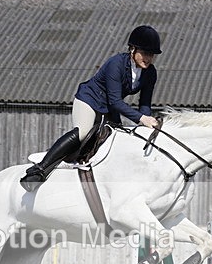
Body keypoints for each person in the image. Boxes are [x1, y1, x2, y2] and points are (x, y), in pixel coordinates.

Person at [20, 25, 162, 192]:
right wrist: (141, 119)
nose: (148, 58)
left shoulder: (150, 73)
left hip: (109, 107)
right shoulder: (116, 64)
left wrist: (146, 125)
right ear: (132, 49)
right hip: (89, 99)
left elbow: (144, 104)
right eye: (145, 53)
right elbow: (116, 101)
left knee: (118, 140)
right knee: (83, 132)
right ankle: (40, 170)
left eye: (151, 54)